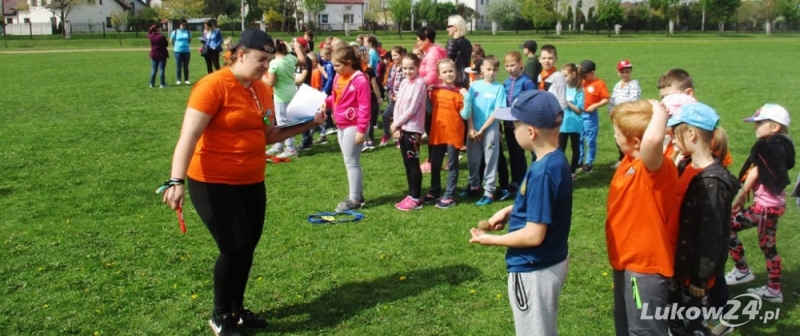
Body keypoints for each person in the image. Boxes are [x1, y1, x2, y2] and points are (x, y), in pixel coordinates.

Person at [160, 29, 324, 336]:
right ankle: (220, 315)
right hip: (212, 180)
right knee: (234, 247)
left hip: (251, 179)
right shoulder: (212, 86)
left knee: (247, 247)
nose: (266, 66)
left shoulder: (261, 90)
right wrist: (175, 180)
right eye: (260, 59)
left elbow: (268, 136)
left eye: (268, 59)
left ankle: (236, 309)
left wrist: (310, 124)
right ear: (240, 54)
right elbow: (189, 135)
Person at [469, 90, 572, 336]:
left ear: (530, 132)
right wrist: (510, 209)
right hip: (548, 262)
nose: (510, 131)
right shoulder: (554, 160)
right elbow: (546, 204)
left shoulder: (543, 172)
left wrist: (492, 240)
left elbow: (533, 235)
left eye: (514, 125)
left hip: (534, 269)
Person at [664, 103, 739, 336]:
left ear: (691, 134)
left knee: (693, 327)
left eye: (674, 135)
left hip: (693, 277)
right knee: (675, 323)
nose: (672, 141)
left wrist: (700, 278)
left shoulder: (712, 183)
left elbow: (712, 236)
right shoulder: (686, 165)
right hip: (678, 265)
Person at [606, 100, 679, 336]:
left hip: (644, 268)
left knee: (644, 330)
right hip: (625, 261)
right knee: (625, 324)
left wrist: (659, 112)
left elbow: (653, 141)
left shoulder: (654, 170)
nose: (614, 137)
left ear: (636, 142)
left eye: (617, 133)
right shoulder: (630, 161)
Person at [726, 104, 795, 304]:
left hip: (765, 207)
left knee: (729, 227)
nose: (755, 127)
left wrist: (741, 194)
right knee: (768, 246)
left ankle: (743, 271)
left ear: (775, 127)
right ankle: (772, 289)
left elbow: (755, 172)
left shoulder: (767, 147)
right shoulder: (782, 145)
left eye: (759, 123)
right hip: (773, 205)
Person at [325, 46, 372, 212]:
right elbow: (336, 96)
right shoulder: (339, 77)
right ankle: (357, 194)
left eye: (338, 65)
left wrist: (361, 129)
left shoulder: (360, 80)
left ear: (349, 63)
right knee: (349, 161)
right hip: (342, 124)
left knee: (351, 162)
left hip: (354, 125)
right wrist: (328, 101)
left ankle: (354, 199)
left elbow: (365, 106)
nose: (335, 69)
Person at [461, 55, 507, 206]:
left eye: (495, 70)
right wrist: (471, 128)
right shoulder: (474, 86)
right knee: (473, 159)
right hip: (473, 130)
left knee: (490, 160)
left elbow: (497, 112)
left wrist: (483, 129)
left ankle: (489, 191)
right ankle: (474, 186)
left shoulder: (499, 88)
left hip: (490, 130)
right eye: (488, 69)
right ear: (482, 69)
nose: (491, 72)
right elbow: (469, 109)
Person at [422, 59, 466, 209]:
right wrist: (426, 92)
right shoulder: (435, 91)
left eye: (451, 71)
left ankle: (449, 195)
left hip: (453, 134)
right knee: (435, 164)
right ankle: (435, 191)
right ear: (439, 75)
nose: (448, 74)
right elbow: (428, 110)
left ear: (456, 72)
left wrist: (467, 97)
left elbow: (465, 114)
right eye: (445, 72)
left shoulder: (459, 93)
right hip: (438, 133)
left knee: (452, 165)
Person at [390, 53, 428, 211]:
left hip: (413, 128)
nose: (407, 71)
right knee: (406, 162)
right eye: (405, 68)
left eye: (411, 68)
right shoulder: (405, 82)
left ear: (418, 67)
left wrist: (396, 124)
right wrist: (397, 126)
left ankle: (416, 198)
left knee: (413, 163)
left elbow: (412, 108)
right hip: (402, 127)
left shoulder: (420, 83)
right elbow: (398, 105)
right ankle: (411, 193)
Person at [263, 39, 307, 158]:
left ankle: (291, 149)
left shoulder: (274, 63)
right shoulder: (290, 58)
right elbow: (302, 61)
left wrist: (262, 76)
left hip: (281, 96)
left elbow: (271, 83)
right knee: (288, 121)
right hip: (292, 93)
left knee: (283, 123)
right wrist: (297, 48)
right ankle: (279, 145)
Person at [501, 50, 535, 194]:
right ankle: (515, 181)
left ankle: (522, 180)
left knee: (519, 154)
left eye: (512, 65)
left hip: (521, 124)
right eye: (507, 66)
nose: (510, 69)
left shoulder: (527, 82)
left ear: (520, 64)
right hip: (508, 124)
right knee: (513, 154)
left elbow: (531, 102)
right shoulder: (506, 82)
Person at [609, 60, 642, 169]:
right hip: (618, 115)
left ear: (631, 71)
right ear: (618, 73)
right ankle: (622, 158)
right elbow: (613, 99)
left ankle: (631, 158)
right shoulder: (618, 85)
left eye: (627, 72)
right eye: (622, 72)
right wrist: (611, 111)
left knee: (629, 138)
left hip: (627, 114)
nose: (625, 74)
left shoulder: (633, 84)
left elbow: (633, 100)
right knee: (618, 138)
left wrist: (625, 111)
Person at [578, 60, 609, 173]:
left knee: (590, 140)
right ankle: (579, 160)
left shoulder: (599, 84)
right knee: (579, 139)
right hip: (579, 114)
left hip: (590, 115)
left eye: (585, 75)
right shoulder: (581, 81)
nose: (583, 77)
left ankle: (589, 162)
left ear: (592, 73)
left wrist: (595, 105)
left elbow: (606, 99)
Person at [560, 63, 583, 180]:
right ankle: (562, 170)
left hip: (574, 124)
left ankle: (572, 171)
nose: (562, 79)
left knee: (575, 147)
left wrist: (567, 103)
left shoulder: (579, 90)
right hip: (562, 124)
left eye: (565, 76)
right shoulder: (561, 89)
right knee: (560, 148)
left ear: (573, 75)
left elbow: (579, 110)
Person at [381, 46, 407, 147]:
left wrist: (399, 97)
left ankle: (399, 139)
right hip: (394, 98)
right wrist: (391, 94)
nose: (394, 57)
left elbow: (406, 84)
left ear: (402, 55)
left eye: (396, 55)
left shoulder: (405, 68)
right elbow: (390, 82)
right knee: (385, 116)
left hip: (403, 99)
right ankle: (387, 134)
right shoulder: (393, 67)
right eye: (392, 56)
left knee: (400, 119)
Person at [359, 47, 383, 152]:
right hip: (370, 96)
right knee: (370, 120)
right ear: (362, 57)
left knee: (363, 119)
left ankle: (365, 140)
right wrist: (379, 98)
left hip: (360, 97)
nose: (369, 57)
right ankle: (370, 140)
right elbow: (374, 86)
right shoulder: (369, 71)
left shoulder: (356, 71)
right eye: (367, 55)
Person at [444, 15, 472, 89]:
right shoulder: (467, 43)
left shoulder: (452, 43)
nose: (447, 29)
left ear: (455, 28)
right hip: (465, 79)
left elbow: (447, 63)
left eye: (449, 26)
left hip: (453, 80)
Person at [537, 45, 567, 110]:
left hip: (554, 114)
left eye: (550, 58)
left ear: (556, 59)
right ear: (539, 59)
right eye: (544, 58)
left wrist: (559, 116)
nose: (547, 61)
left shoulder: (558, 76)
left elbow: (562, 101)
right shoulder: (540, 76)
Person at [170, 20, 191, 85]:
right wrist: (175, 46)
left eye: (185, 25)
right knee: (178, 66)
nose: (184, 26)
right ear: (179, 25)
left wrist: (186, 45)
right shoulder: (175, 32)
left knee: (186, 65)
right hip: (178, 51)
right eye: (182, 25)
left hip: (186, 51)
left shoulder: (188, 32)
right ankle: (178, 79)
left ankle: (186, 79)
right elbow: (171, 41)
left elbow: (189, 40)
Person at [148, 24, 169, 89]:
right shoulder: (161, 36)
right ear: (157, 29)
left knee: (154, 69)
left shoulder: (150, 36)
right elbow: (166, 44)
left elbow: (149, 33)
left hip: (154, 54)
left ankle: (151, 84)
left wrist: (151, 29)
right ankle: (162, 84)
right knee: (161, 69)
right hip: (162, 54)